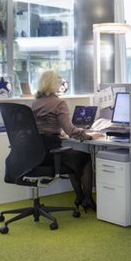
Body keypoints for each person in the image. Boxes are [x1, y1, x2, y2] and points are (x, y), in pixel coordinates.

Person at [31, 70, 96, 212]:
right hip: (51, 151)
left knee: (72, 157)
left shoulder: (35, 103)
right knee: (84, 158)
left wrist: (57, 131)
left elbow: (42, 126)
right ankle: (87, 198)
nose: (61, 84)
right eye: (59, 81)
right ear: (54, 84)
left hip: (35, 153)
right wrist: (90, 136)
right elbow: (70, 131)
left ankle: (79, 197)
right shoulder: (59, 103)